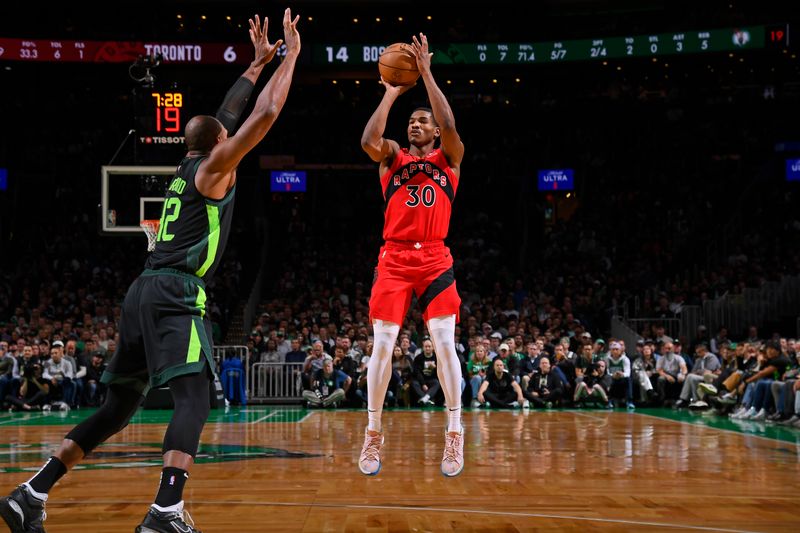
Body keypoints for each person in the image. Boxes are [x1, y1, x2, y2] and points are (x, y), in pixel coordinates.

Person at [0, 12, 301, 533]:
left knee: (117, 408)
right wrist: (291, 56)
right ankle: (165, 511)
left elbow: (228, 111)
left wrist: (255, 65)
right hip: (176, 292)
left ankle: (31, 492)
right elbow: (267, 113)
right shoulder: (213, 169)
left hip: (141, 291)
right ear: (221, 143)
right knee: (195, 399)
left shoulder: (189, 165)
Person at [358, 33, 466, 477]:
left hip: (436, 258)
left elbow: (451, 125)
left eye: (423, 121)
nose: (415, 125)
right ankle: (372, 434)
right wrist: (389, 95)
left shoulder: (449, 158)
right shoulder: (393, 158)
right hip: (395, 258)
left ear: (435, 131)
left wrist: (426, 74)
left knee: (444, 343)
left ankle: (455, 433)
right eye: (412, 121)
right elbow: (368, 138)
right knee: (382, 345)